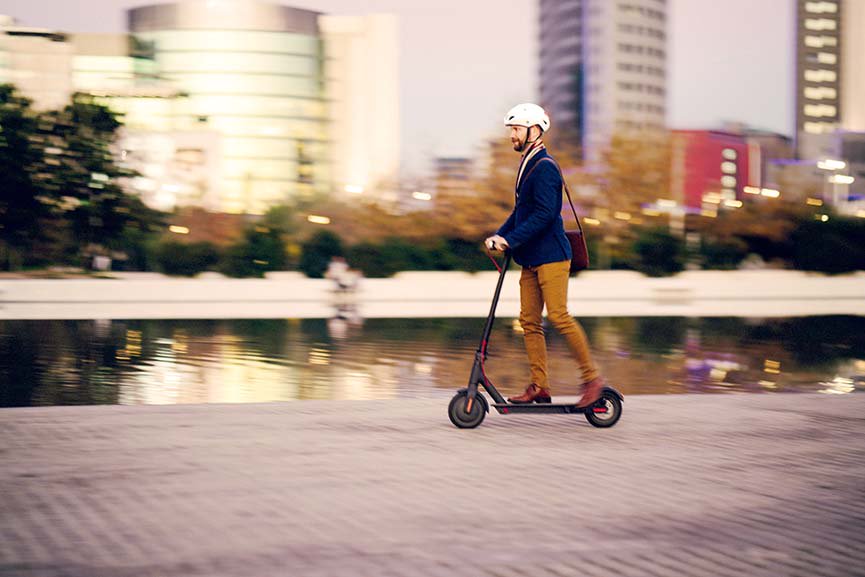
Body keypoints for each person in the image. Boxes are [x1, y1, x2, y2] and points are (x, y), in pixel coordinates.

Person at [485, 103, 603, 407]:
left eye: (516, 129)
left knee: (559, 316)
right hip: (531, 259)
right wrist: (500, 235)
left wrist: (509, 241)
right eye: (512, 129)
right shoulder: (528, 163)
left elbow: (544, 215)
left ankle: (592, 380)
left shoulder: (546, 166)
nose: (512, 135)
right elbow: (520, 212)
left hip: (552, 256)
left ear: (534, 130)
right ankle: (539, 386)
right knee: (529, 321)